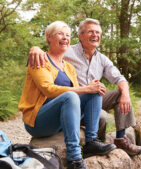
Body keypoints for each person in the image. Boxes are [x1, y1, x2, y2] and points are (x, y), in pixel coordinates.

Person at [28, 18, 141, 156]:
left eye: (97, 32)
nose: (95, 35)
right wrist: (35, 49)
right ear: (80, 35)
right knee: (101, 117)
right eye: (90, 32)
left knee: (119, 93)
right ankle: (92, 142)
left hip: (92, 98)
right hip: (69, 99)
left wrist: (125, 94)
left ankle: (120, 139)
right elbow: (50, 53)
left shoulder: (102, 59)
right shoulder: (67, 50)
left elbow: (119, 78)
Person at [19, 21, 116, 169]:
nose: (65, 38)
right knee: (72, 95)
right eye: (60, 34)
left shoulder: (69, 67)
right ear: (49, 37)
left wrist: (92, 88)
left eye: (68, 35)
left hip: (59, 119)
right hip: (38, 120)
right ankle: (74, 159)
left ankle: (91, 142)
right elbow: (48, 90)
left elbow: (78, 96)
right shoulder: (39, 60)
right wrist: (85, 89)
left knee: (94, 91)